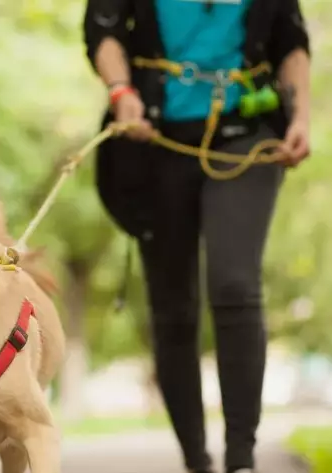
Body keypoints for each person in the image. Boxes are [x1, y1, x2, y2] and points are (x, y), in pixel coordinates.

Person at [82, 1, 311, 473]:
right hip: (153, 136)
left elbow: (291, 40)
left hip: (247, 132)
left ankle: (241, 459)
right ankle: (196, 459)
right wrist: (120, 90)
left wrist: (302, 117)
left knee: (234, 284)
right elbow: (102, 27)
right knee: (173, 308)